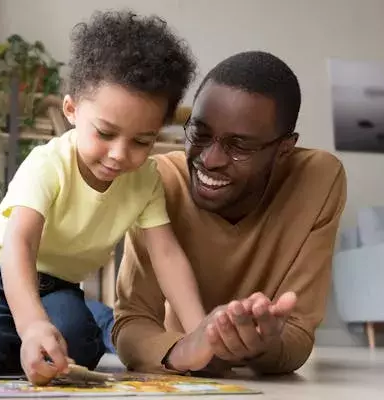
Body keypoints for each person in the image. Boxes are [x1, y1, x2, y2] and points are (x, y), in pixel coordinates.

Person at [0, 10, 206, 385]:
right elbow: (21, 243)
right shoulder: (48, 164)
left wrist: (200, 331)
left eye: (142, 141)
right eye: (105, 134)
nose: (119, 155)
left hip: (58, 284)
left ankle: (61, 321)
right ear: (72, 110)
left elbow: (167, 255)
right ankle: (19, 323)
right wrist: (31, 327)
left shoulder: (146, 180)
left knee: (77, 345)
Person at [111, 51, 347, 375]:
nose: (209, 160)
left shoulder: (318, 179)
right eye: (200, 134)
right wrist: (187, 351)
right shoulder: (159, 181)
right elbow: (130, 325)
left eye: (239, 147)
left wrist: (262, 344)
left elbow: (298, 335)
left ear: (284, 150)